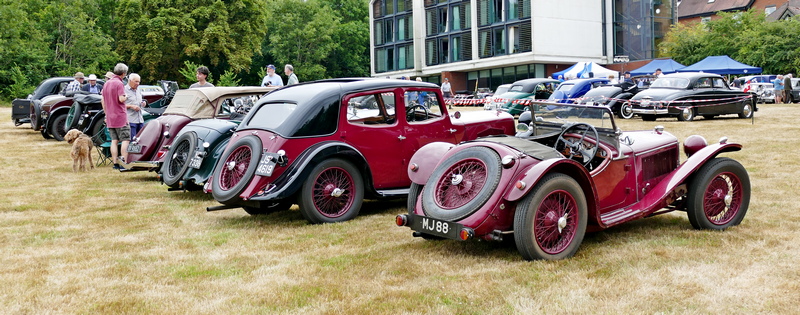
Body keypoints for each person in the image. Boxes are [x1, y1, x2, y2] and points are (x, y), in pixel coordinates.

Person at [101, 63, 131, 170]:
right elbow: (121, 99)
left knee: (114, 140)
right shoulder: (119, 83)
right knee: (125, 140)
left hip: (110, 116)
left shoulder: (107, 83)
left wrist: (106, 113)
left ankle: (115, 163)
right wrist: (126, 96)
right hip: (120, 117)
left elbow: (103, 100)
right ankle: (124, 163)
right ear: (124, 73)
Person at [125, 73, 146, 140]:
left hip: (140, 119)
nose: (138, 83)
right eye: (136, 81)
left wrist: (143, 103)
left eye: (139, 81)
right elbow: (119, 105)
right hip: (130, 120)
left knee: (140, 140)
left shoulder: (138, 90)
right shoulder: (124, 90)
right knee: (132, 141)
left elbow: (140, 101)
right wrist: (131, 106)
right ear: (130, 81)